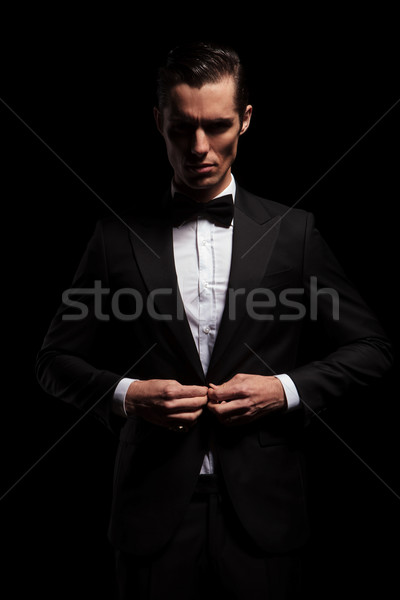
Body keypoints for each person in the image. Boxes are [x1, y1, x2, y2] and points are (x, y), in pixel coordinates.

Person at [36, 41, 393, 599]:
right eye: (182, 128)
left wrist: (285, 389)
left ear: (246, 120)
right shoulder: (113, 238)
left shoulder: (294, 233)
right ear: (159, 122)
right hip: (150, 516)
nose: (200, 148)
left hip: (268, 516)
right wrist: (128, 394)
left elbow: (372, 346)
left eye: (219, 126)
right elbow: (52, 362)